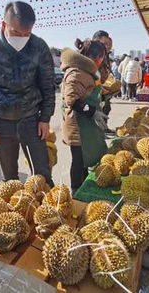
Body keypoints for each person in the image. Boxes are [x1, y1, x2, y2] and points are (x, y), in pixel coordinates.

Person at [0, 1, 55, 186]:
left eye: (27, 34)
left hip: (32, 120)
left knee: (43, 174)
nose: (22, 38)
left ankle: (47, 210)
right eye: (17, 33)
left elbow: (48, 86)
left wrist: (45, 119)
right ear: (4, 25)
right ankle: (17, 212)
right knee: (10, 179)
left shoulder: (39, 46)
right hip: (0, 122)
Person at [61, 39, 108, 192]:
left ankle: (82, 187)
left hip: (85, 125)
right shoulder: (78, 71)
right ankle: (76, 190)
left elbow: (85, 91)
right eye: (102, 57)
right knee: (78, 160)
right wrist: (92, 112)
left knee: (83, 161)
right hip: (77, 125)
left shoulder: (86, 70)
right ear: (98, 57)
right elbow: (71, 99)